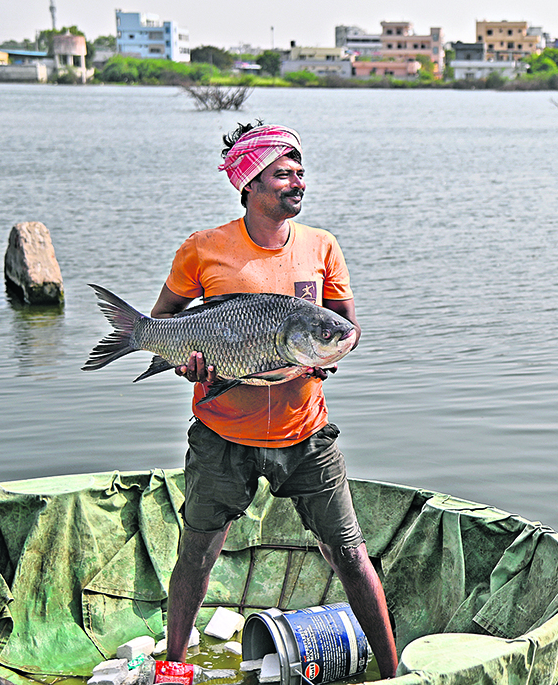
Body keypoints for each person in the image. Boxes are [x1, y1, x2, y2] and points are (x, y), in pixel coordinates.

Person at [150, 122, 398, 679]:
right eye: (283, 173)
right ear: (249, 185)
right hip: (222, 433)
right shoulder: (204, 249)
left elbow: (348, 330)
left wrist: (330, 355)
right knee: (198, 552)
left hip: (306, 432)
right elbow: (163, 325)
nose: (297, 182)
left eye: (300, 172)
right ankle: (173, 666)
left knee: (351, 554)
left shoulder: (321, 246)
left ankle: (392, 673)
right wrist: (184, 362)